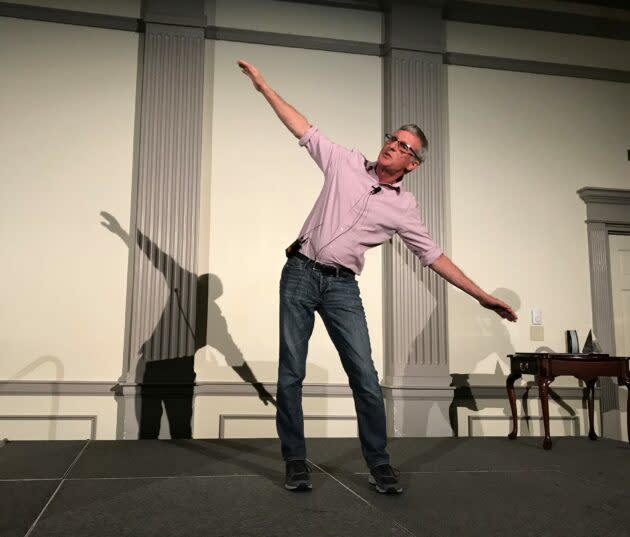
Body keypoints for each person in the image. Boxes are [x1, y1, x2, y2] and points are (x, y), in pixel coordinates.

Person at [237, 59, 517, 494]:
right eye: (393, 139)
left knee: (365, 377)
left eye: (404, 146)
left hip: (342, 287)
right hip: (299, 273)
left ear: (413, 163)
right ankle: (295, 460)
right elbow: (304, 129)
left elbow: (435, 256)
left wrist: (481, 296)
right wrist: (262, 85)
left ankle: (379, 463)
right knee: (291, 373)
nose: (393, 146)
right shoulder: (345, 162)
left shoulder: (404, 209)